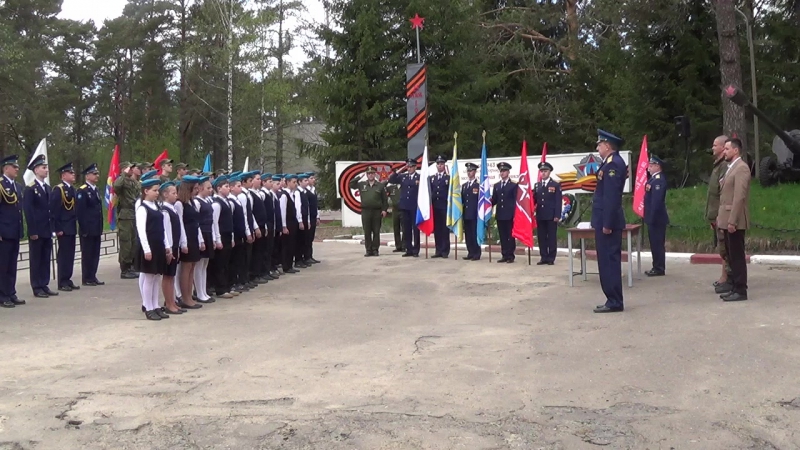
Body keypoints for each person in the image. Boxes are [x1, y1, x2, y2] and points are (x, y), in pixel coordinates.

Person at [592, 129, 628, 313]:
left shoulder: (613, 164)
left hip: (608, 222)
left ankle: (614, 300)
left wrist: (607, 223)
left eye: (599, 144)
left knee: (609, 261)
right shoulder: (610, 163)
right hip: (605, 219)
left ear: (607, 145)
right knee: (605, 260)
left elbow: (611, 197)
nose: (597, 147)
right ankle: (612, 298)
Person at [134, 177, 173, 320]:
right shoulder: (142, 208)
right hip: (149, 246)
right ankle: (148, 307)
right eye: (154, 190)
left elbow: (163, 229)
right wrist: (146, 249)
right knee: (149, 277)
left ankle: (155, 305)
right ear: (146, 191)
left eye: (158, 190)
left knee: (157, 277)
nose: (157, 193)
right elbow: (141, 231)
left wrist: (167, 246)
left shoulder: (157, 206)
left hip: (159, 246)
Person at [717, 138, 750, 302]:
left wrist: (732, 220)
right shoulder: (731, 168)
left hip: (735, 220)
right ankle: (734, 286)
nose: (725, 152)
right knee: (730, 255)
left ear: (736, 150)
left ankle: (741, 289)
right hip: (726, 218)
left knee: (737, 255)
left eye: (727, 149)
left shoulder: (741, 168)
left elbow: (739, 197)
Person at [23, 154, 58, 299]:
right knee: (36, 259)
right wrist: (32, 230)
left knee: (45, 258)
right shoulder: (30, 189)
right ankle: (36, 286)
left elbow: (51, 211)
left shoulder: (48, 188)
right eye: (44, 168)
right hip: (37, 230)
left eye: (47, 167)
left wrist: (53, 228)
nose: (46, 170)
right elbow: (29, 211)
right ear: (36, 170)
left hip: (47, 229)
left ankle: (44, 284)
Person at [706, 135, 733, 293]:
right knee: (721, 246)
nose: (713, 148)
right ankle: (725, 276)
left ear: (723, 147)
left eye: (715, 145)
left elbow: (723, 192)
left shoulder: (724, 166)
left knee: (724, 247)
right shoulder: (718, 165)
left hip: (721, 213)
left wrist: (719, 215)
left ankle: (727, 277)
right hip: (716, 213)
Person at [176, 175, 205, 309]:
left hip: (193, 237)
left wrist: (200, 240)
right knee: (186, 268)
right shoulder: (179, 204)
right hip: (186, 238)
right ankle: (185, 297)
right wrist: (183, 243)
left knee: (192, 267)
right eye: (195, 188)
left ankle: (189, 295)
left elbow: (196, 223)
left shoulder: (192, 202)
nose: (197, 190)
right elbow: (180, 224)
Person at [50, 162, 80, 292]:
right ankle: (62, 281)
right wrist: (57, 228)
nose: (73, 175)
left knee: (70, 254)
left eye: (73, 172)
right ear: (63, 175)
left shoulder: (72, 189)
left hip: (71, 226)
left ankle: (68, 278)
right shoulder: (59, 189)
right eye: (71, 173)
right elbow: (54, 211)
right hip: (63, 227)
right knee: (63, 255)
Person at [159, 181, 187, 314]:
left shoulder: (172, 208)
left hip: (175, 246)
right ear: (165, 194)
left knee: (172, 275)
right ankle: (169, 303)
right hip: (170, 247)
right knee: (168, 276)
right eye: (173, 193)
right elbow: (167, 232)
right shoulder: (165, 211)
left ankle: (172, 301)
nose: (176, 195)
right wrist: (168, 249)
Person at [0, 155, 24, 308]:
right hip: (4, 231)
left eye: (17, 167)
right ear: (5, 168)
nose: (17, 169)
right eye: (14, 167)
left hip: (14, 230)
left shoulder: (18, 186)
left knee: (12, 265)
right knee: (3, 265)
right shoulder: (1, 185)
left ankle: (11, 292)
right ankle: (3, 295)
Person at [76, 163, 105, 286]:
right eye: (94, 174)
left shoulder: (96, 189)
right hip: (87, 228)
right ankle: (87, 277)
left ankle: (93, 275)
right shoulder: (82, 191)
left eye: (97, 174)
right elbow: (80, 212)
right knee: (87, 254)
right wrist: (84, 228)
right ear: (87, 176)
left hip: (96, 227)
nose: (97, 176)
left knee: (95, 253)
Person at [349, 166, 388, 257]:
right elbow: (351, 184)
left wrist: (384, 210)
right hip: (366, 211)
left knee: (376, 231)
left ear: (375, 174)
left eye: (372, 173)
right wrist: (359, 177)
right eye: (369, 174)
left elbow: (384, 200)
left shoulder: (380, 185)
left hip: (376, 211)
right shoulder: (362, 184)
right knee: (367, 231)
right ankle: (368, 250)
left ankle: (375, 250)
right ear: (366, 175)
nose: (370, 175)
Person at [113, 161, 141, 279]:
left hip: (134, 213)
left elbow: (138, 190)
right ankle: (124, 269)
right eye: (130, 168)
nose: (132, 170)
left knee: (133, 242)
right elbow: (116, 186)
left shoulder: (132, 181)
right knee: (126, 242)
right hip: (125, 215)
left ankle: (131, 266)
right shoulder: (121, 180)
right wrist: (123, 174)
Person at [388, 159, 421, 257]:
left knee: (415, 230)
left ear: (415, 167)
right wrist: (399, 170)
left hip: (414, 207)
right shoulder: (403, 177)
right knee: (406, 229)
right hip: (404, 206)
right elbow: (391, 179)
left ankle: (416, 250)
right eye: (408, 167)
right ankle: (408, 249)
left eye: (411, 166)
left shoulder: (419, 177)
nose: (409, 168)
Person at [210, 176, 236, 299]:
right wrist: (218, 239)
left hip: (227, 234)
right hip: (221, 235)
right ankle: (220, 289)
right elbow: (215, 222)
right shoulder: (216, 203)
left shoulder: (226, 201)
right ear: (219, 189)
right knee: (220, 264)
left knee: (226, 263)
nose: (228, 189)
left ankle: (227, 286)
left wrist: (231, 238)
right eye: (226, 187)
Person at [644, 156, 669, 276]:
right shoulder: (653, 179)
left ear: (658, 166)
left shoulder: (658, 180)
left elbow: (656, 201)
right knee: (654, 243)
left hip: (657, 218)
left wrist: (652, 217)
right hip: (653, 217)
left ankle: (659, 267)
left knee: (657, 243)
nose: (649, 168)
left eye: (651, 165)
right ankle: (656, 266)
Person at [193, 177, 217, 303]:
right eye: (208, 188)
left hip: (208, 233)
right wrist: (200, 240)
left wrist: (213, 237)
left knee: (205, 265)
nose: (210, 190)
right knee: (199, 265)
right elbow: (196, 222)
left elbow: (211, 221)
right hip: (201, 234)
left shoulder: (206, 200)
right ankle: (199, 292)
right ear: (200, 188)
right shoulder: (197, 202)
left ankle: (203, 291)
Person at [228, 175, 253, 290]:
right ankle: (234, 281)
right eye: (238, 186)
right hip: (235, 234)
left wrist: (246, 231)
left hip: (240, 233)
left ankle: (239, 281)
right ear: (231, 188)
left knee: (240, 258)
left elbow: (244, 216)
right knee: (234, 260)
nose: (240, 188)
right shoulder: (231, 201)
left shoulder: (237, 199)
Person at [534, 162, 561, 265]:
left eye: (545, 171)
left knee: (551, 237)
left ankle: (551, 258)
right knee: (541, 237)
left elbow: (558, 201)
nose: (543, 173)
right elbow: (534, 199)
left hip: (551, 215)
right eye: (542, 171)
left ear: (549, 172)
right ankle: (543, 257)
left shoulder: (555, 184)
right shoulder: (537, 185)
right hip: (540, 215)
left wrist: (557, 215)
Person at [491, 162, 518, 263]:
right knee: (502, 236)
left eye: (504, 171)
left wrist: (516, 214)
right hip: (500, 214)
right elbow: (494, 200)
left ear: (508, 172)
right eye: (501, 171)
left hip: (510, 214)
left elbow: (516, 201)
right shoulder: (497, 185)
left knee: (510, 236)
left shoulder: (514, 185)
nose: (502, 173)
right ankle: (504, 254)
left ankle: (510, 255)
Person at [429, 155, 450, 258]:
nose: (440, 166)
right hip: (435, 207)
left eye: (441, 164)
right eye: (438, 164)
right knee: (437, 230)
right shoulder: (432, 178)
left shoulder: (448, 178)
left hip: (445, 207)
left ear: (444, 165)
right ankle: (438, 250)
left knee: (444, 230)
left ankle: (445, 251)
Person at [279, 174, 300, 273]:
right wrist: (284, 226)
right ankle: (286, 265)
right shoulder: (284, 195)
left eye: (296, 182)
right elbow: (283, 211)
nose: (295, 184)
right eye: (293, 182)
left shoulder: (292, 194)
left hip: (293, 222)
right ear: (287, 183)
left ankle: (290, 264)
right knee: (287, 245)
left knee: (292, 244)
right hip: (288, 223)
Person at [461, 162, 481, 260]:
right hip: (466, 214)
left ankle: (476, 253)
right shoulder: (464, 186)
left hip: (475, 214)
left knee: (474, 234)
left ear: (475, 172)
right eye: (468, 171)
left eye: (471, 170)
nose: (469, 173)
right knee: (468, 235)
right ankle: (470, 252)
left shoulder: (479, 185)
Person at [295, 173, 311, 268]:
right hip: (300, 218)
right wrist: (300, 221)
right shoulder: (298, 192)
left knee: (304, 240)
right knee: (299, 241)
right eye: (305, 181)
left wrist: (308, 220)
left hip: (305, 218)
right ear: (299, 182)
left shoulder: (305, 192)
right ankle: (298, 259)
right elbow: (298, 207)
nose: (307, 182)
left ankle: (303, 258)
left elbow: (307, 207)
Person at [305, 172, 321, 264]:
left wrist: (318, 217)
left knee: (311, 237)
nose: (313, 180)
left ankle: (310, 256)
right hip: (308, 217)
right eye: (311, 178)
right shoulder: (305, 191)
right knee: (307, 238)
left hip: (313, 216)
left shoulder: (313, 189)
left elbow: (316, 205)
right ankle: (306, 256)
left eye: (314, 178)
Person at [386, 181, 405, 253]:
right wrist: (388, 180)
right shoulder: (391, 188)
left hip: (403, 209)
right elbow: (382, 186)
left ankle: (404, 246)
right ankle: (398, 246)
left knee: (404, 229)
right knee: (396, 228)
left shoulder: (405, 186)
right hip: (395, 210)